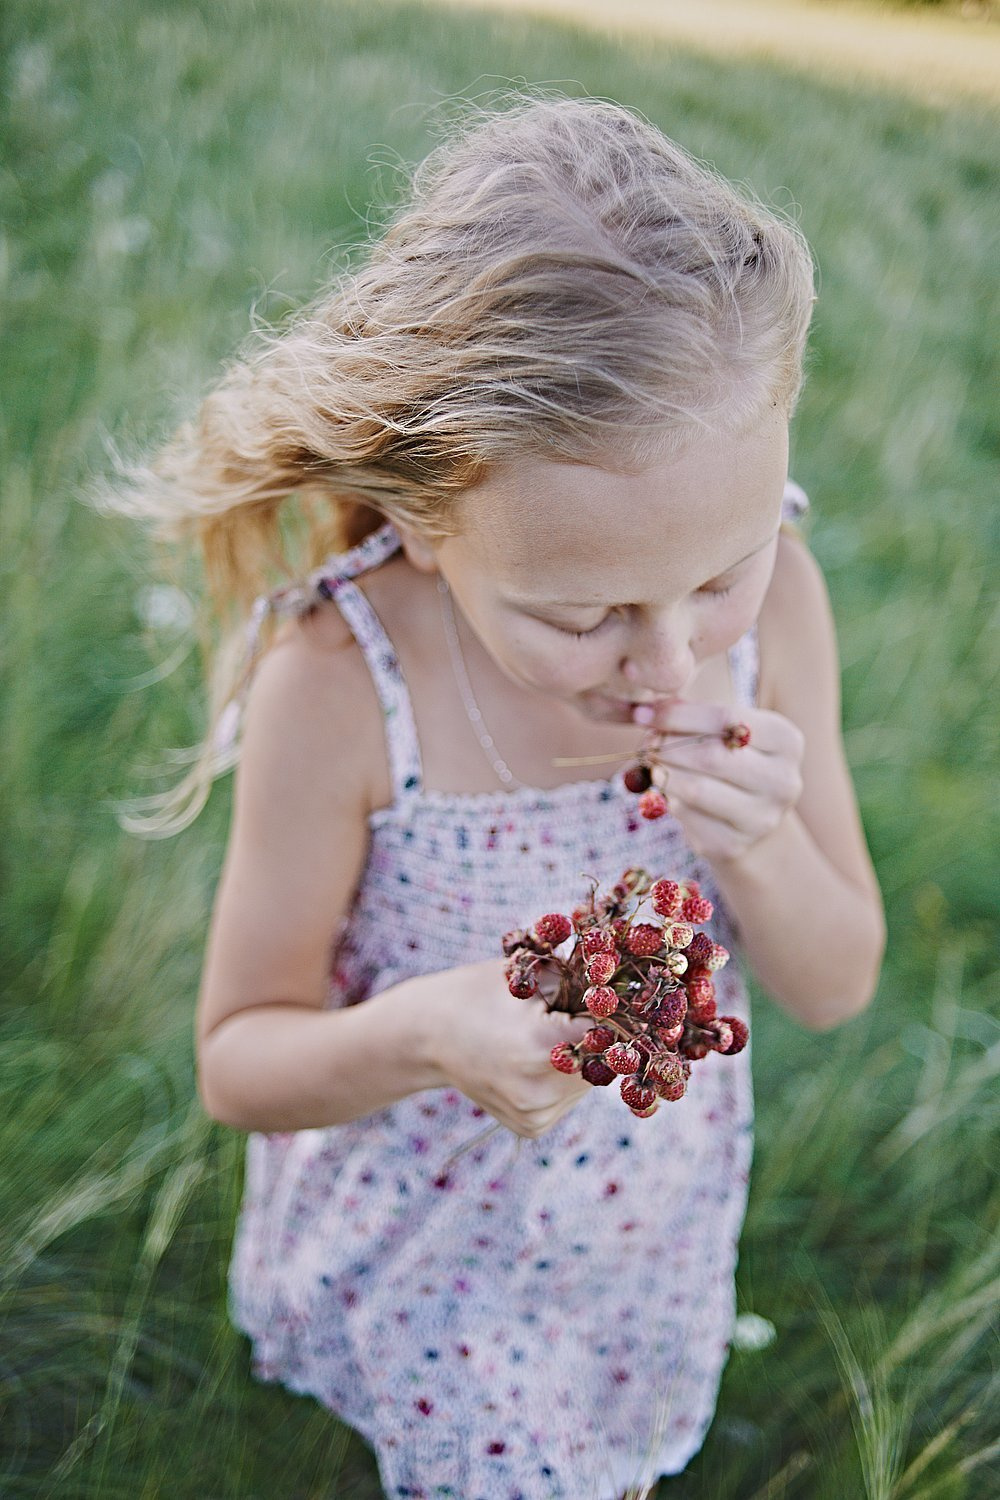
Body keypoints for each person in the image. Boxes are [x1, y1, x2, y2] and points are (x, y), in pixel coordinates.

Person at [108, 93, 885, 1500]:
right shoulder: (343, 686)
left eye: (719, 574)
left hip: (643, 1242)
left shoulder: (783, 616)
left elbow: (837, 983)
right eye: (583, 613)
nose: (672, 655)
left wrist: (759, 844)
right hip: (423, 1259)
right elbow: (239, 1057)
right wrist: (426, 1030)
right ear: (426, 516)